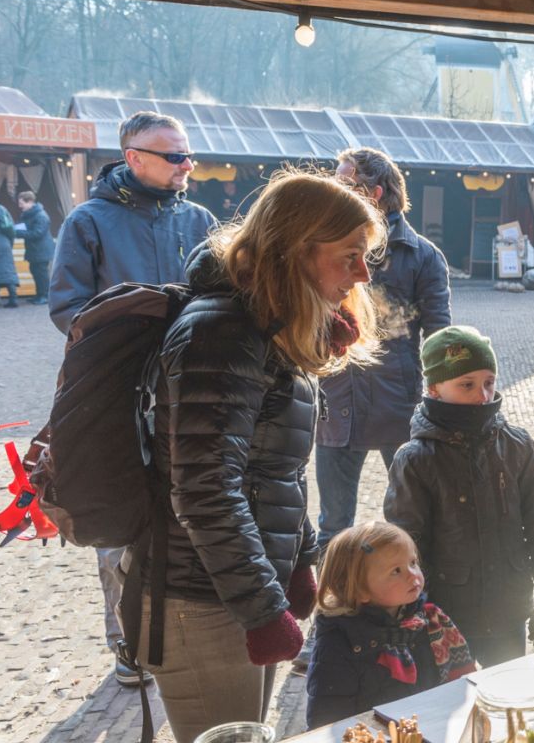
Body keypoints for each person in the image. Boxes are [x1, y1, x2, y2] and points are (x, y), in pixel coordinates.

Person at [121, 170, 385, 742]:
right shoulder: (224, 332)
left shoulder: (268, 328)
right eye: (350, 256)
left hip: (235, 591)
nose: (363, 274)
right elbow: (205, 490)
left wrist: (299, 558)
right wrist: (264, 608)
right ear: (297, 250)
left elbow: (276, 469)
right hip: (201, 602)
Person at [49, 111, 218, 687]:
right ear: (134, 157)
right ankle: (127, 642)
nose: (186, 165)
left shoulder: (200, 218)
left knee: (192, 508)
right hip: (116, 396)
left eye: (188, 154)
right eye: (174, 156)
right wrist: (124, 342)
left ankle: (183, 628)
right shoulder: (88, 222)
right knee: (120, 516)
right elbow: (68, 307)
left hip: (191, 391)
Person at [384, 325, 534, 666]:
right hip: (446, 615)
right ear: (434, 388)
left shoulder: (518, 445)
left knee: (506, 701)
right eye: (467, 385)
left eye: (489, 382)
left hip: (508, 608)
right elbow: (407, 547)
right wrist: (415, 614)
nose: (483, 396)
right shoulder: (415, 459)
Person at [316, 148, 451, 544]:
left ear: (372, 194)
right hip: (336, 400)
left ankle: (414, 596)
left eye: (342, 183)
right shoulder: (323, 248)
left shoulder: (422, 255)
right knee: (333, 525)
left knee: (412, 517)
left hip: (398, 403)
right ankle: (334, 601)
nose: (332, 190)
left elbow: (439, 337)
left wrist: (442, 400)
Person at [305, 521, 476, 729]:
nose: (413, 574)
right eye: (396, 571)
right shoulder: (338, 643)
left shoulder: (428, 621)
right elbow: (326, 721)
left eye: (413, 563)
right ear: (359, 589)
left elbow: (460, 686)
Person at [16, 191, 53, 305]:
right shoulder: (31, 214)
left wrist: (18, 232)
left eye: (21, 203)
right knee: (36, 272)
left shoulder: (40, 215)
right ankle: (39, 295)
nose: (20, 206)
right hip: (35, 250)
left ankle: (45, 296)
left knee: (41, 274)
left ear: (30, 202)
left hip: (40, 250)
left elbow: (37, 233)